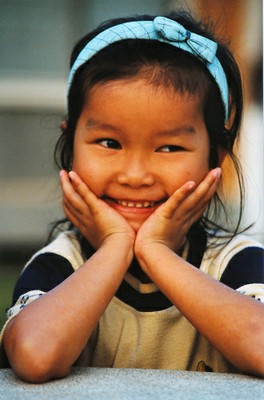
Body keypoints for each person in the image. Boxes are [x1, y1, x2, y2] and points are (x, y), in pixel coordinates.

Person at [1, 11, 264, 383]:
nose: (135, 175)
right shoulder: (62, 265)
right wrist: (115, 247)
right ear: (70, 144)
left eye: (170, 147)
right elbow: (35, 356)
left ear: (215, 159)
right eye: (109, 143)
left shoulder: (234, 263)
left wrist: (154, 250)